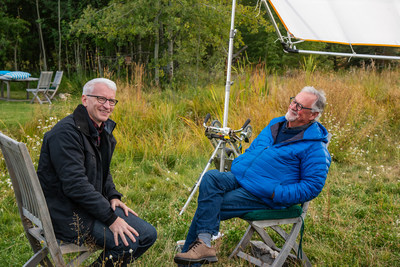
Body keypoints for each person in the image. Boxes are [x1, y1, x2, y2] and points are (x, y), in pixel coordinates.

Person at [174, 86, 331, 265]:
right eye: (294, 101)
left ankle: (189, 261)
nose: (293, 107)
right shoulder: (276, 124)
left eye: (301, 106)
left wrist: (275, 192)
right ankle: (203, 245)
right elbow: (255, 148)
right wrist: (243, 165)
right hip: (244, 178)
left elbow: (311, 187)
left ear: (314, 114)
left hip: (265, 194)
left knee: (212, 203)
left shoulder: (315, 147)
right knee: (211, 178)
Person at [37, 78, 157, 266]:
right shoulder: (66, 134)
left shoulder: (100, 129)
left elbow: (102, 169)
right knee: (128, 244)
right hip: (67, 213)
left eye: (111, 101)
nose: (107, 106)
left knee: (149, 234)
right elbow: (75, 185)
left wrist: (112, 195)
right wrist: (111, 219)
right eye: (101, 99)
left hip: (84, 206)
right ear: (85, 100)